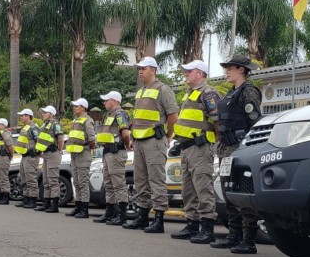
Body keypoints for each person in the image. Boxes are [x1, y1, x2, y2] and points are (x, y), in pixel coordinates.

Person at [213, 54, 263, 253]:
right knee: (229, 193)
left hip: (240, 148)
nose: (226, 72)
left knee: (242, 193)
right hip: (226, 148)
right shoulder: (230, 94)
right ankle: (234, 235)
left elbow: (255, 122)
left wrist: (249, 148)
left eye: (230, 68)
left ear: (241, 69)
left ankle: (248, 239)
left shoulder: (248, 91)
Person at [123, 56, 179, 233]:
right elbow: (138, 118)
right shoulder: (140, 91)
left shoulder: (163, 89)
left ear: (153, 70)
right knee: (140, 181)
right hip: (139, 141)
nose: (140, 71)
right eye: (139, 69)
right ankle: (142, 216)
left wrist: (168, 136)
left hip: (155, 141)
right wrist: (132, 138)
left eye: (144, 68)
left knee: (156, 179)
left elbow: (173, 116)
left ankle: (159, 218)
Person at [169, 60, 221, 244]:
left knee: (202, 187)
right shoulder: (190, 95)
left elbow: (217, 121)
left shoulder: (208, 93)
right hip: (186, 147)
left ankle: (207, 228)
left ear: (200, 73)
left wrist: (213, 141)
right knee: (188, 190)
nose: (186, 74)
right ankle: (192, 224)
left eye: (189, 71)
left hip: (200, 147)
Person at [93, 91, 132, 226]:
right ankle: (110, 212)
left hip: (116, 152)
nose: (104, 103)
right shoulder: (109, 115)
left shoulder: (120, 114)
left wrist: (127, 145)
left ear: (115, 101)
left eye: (106, 100)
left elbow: (125, 133)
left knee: (118, 184)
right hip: (108, 152)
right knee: (109, 184)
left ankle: (122, 215)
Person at [65, 98, 96, 218]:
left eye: (76, 106)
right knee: (76, 182)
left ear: (83, 107)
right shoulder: (76, 120)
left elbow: (92, 139)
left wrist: (88, 148)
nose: (74, 108)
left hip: (83, 153)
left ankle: (84, 209)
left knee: (82, 182)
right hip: (74, 153)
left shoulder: (87, 120)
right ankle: (78, 207)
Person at [34, 105, 65, 213]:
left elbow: (60, 138)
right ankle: (46, 203)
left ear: (51, 114)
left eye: (45, 112)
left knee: (53, 180)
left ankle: (54, 205)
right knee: (46, 180)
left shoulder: (55, 124)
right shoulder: (45, 125)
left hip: (53, 153)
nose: (43, 114)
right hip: (46, 154)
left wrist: (59, 150)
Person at [14, 109, 41, 209]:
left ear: (28, 116)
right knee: (24, 179)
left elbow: (38, 141)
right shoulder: (26, 127)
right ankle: (26, 198)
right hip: (25, 156)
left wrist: (37, 152)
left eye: (22, 115)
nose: (21, 117)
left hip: (31, 156)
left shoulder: (33, 127)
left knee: (31, 179)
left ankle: (33, 200)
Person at [0, 118, 15, 205]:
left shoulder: (5, 133)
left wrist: (11, 155)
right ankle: (0, 195)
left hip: (3, 157)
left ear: (4, 125)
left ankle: (5, 196)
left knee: (3, 177)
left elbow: (10, 146)